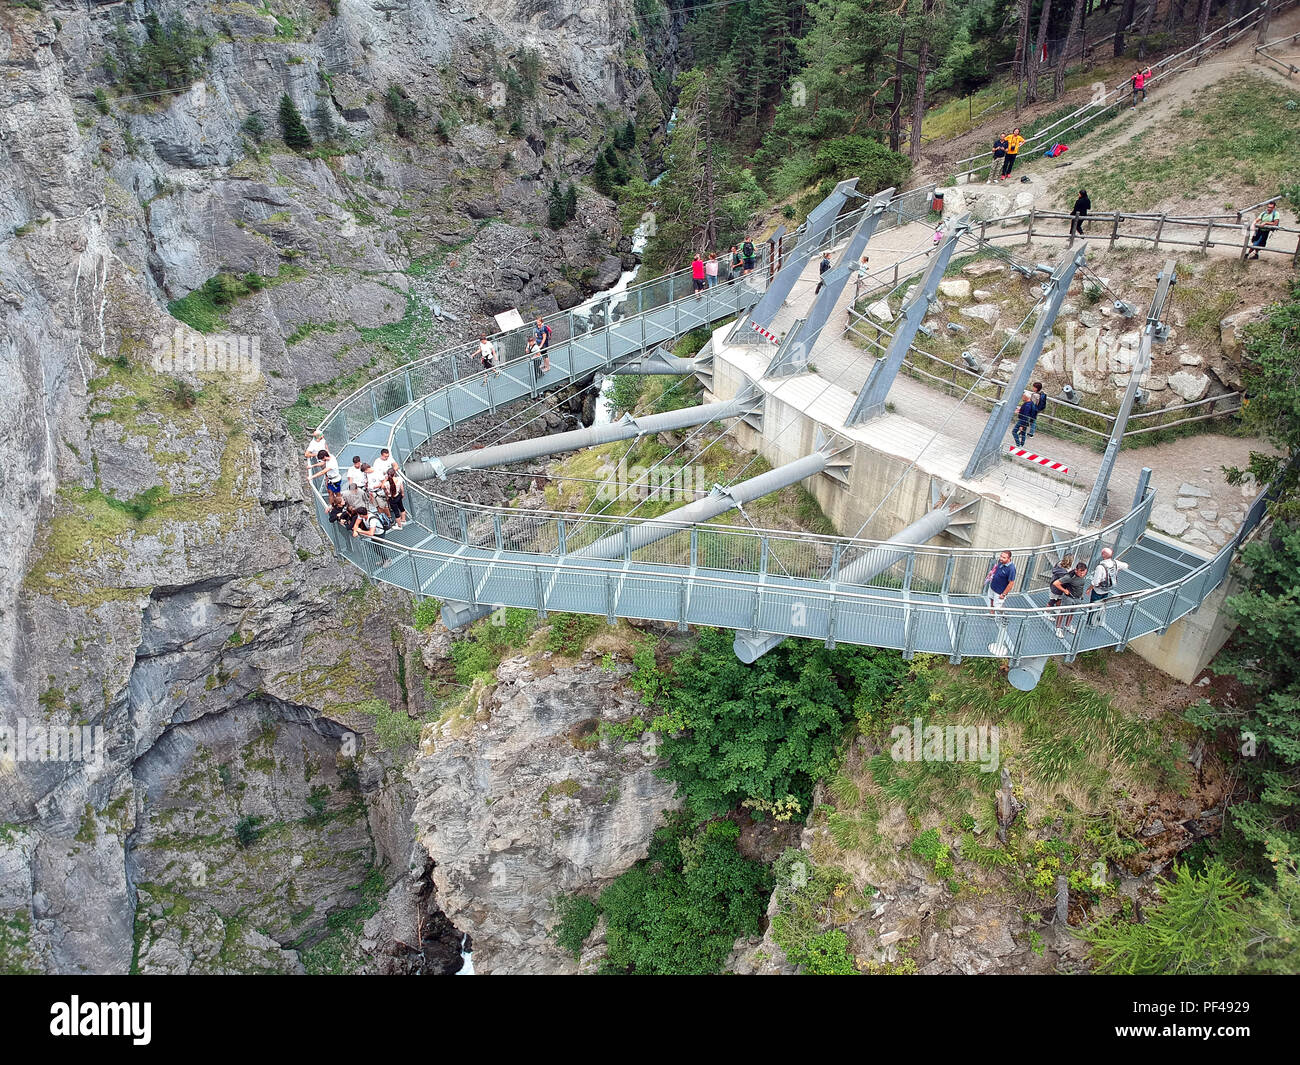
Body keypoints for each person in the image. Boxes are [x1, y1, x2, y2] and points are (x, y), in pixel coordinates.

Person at [1087, 546, 1129, 627]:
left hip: (1098, 591)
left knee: (1093, 606)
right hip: (1108, 589)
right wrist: (1117, 570)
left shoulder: (1100, 567)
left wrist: (1089, 589)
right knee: (1103, 605)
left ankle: (1090, 623)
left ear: (1103, 555)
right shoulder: (1115, 563)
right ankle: (1100, 622)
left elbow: (1096, 582)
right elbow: (1126, 565)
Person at [1052, 562, 1090, 638]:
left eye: (1084, 573)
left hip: (1077, 598)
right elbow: (1056, 583)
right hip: (1069, 598)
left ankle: (1067, 625)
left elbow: (1080, 585)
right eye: (1081, 573)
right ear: (1076, 570)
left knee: (1072, 612)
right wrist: (1065, 590)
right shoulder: (1070, 577)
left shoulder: (1082, 576)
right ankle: (1058, 627)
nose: (1082, 575)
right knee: (1063, 612)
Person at [986, 550, 1016, 623]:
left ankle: (1004, 615)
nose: (1001, 558)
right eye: (1001, 556)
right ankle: (992, 614)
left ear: (1009, 559)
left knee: (998, 606)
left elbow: (1011, 583)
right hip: (993, 586)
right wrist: (992, 572)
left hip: (1000, 591)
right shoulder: (1001, 562)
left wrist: (1004, 594)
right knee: (991, 599)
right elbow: (997, 568)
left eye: (1004, 557)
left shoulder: (1011, 569)